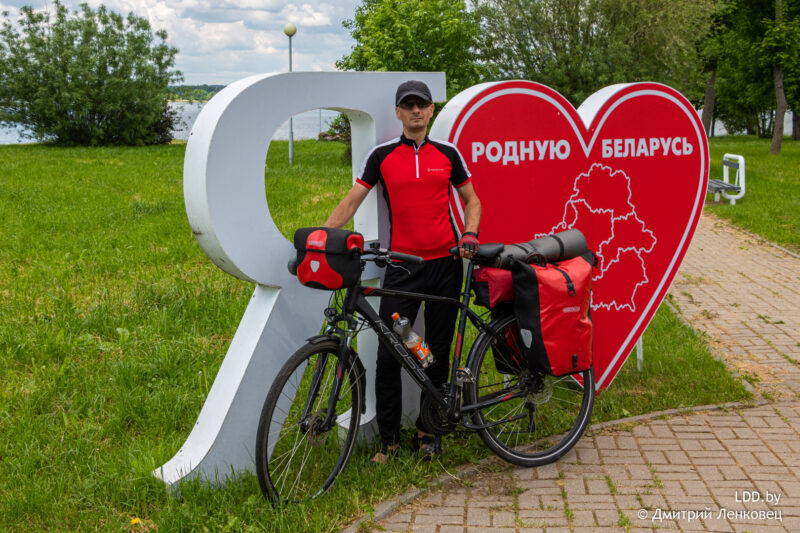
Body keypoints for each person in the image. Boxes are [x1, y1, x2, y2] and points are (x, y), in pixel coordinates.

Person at [324, 80, 481, 463]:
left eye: (421, 105)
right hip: (401, 268)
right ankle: (389, 442)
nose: (415, 111)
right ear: (398, 112)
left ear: (431, 111)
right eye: (407, 105)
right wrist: (323, 236)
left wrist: (471, 233)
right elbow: (352, 199)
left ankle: (430, 431)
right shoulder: (381, 156)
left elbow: (472, 200)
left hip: (445, 266)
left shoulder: (448, 154)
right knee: (391, 354)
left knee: (438, 352)